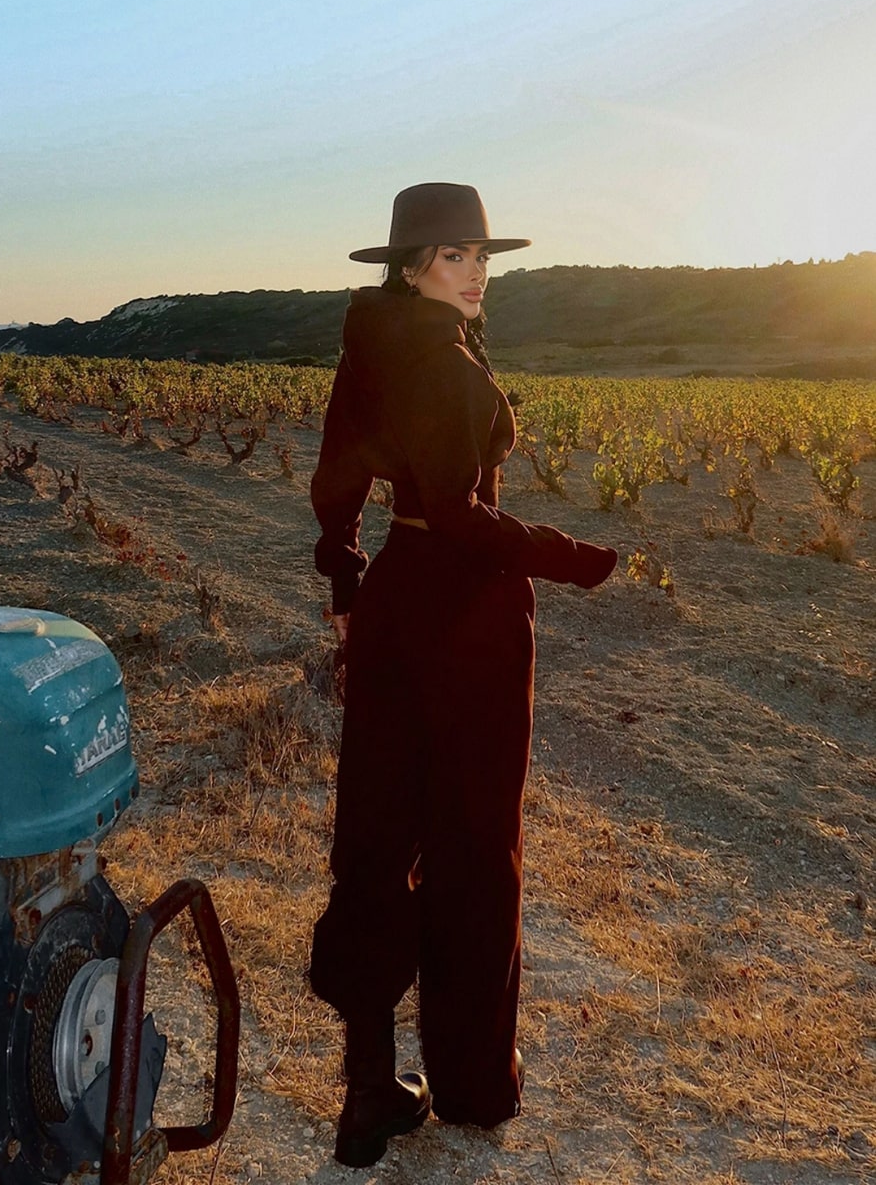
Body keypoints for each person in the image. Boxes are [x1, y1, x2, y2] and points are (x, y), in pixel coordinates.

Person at [309, 182, 617, 1167]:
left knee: (376, 830)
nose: (476, 270)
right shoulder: (441, 361)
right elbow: (460, 515)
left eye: (481, 255)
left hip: (398, 600)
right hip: (469, 612)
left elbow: (339, 478)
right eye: (454, 255)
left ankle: (367, 1087)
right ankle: (474, 1084)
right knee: (476, 846)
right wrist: (571, 556)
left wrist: (348, 575)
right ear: (412, 268)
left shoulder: (370, 349)